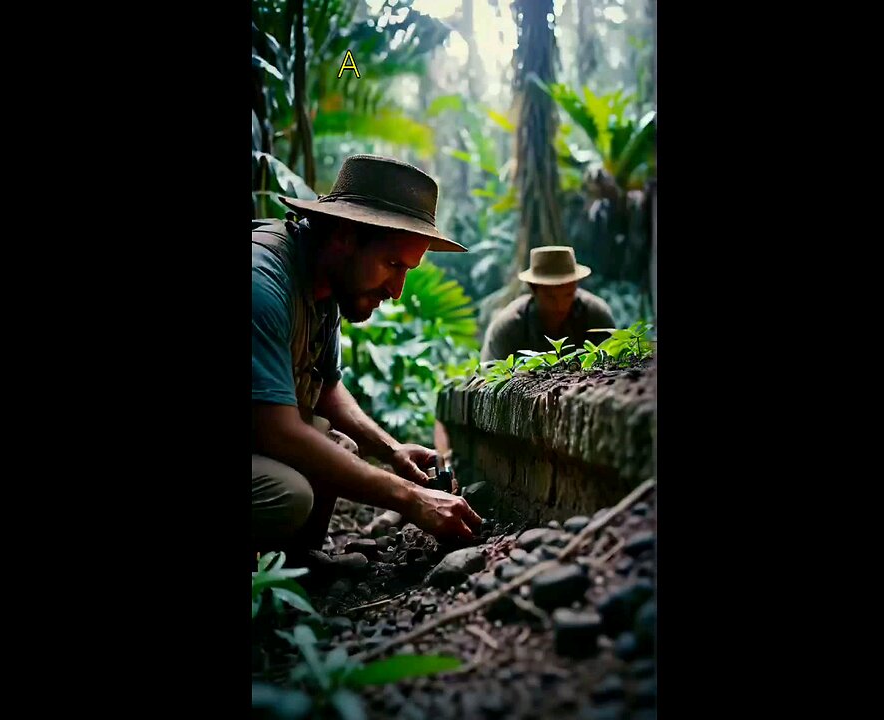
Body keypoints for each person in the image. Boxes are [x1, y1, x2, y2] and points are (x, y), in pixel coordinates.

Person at [252, 154, 483, 566]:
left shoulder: (324, 288)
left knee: (338, 444)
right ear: (343, 236)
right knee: (289, 493)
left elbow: (326, 389)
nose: (397, 289)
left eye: (407, 270)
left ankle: (297, 567)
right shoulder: (263, 284)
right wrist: (410, 499)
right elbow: (278, 433)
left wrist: (391, 450)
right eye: (393, 264)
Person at [481, 246, 617, 361]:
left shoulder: (596, 315)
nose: (560, 305)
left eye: (568, 295)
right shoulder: (508, 328)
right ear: (533, 288)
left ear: (576, 286)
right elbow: (488, 381)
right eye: (550, 297)